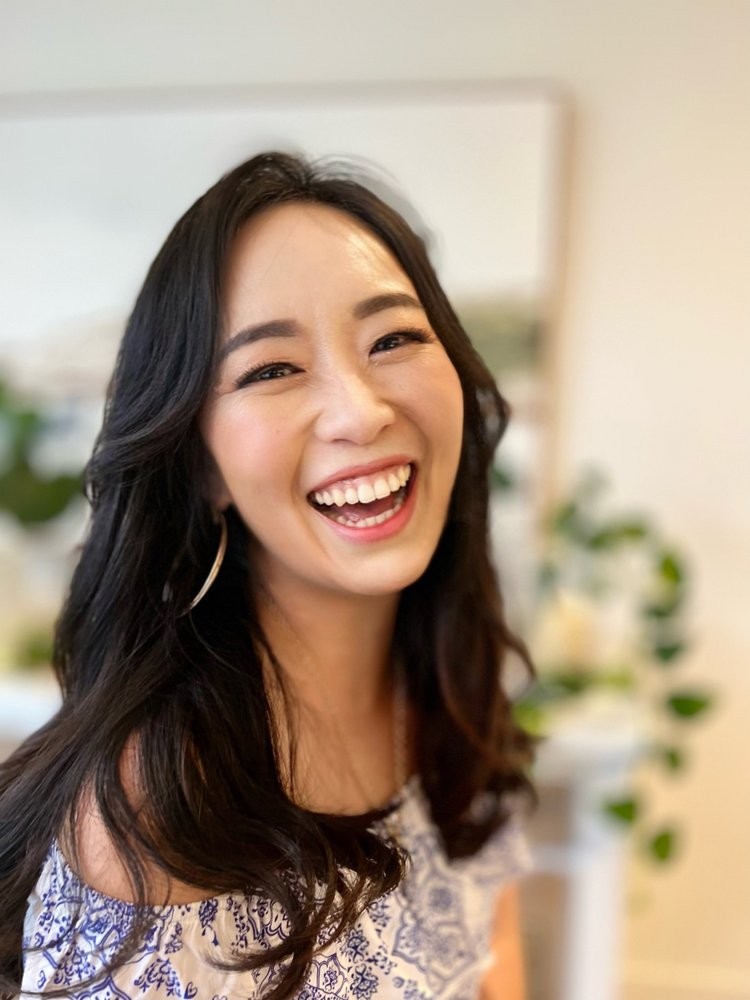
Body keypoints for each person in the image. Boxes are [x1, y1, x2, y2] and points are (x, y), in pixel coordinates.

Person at [0, 151, 534, 999]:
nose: (361, 410)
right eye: (272, 369)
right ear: (202, 467)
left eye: (394, 338)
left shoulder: (457, 697)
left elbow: (496, 968)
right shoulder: (155, 809)